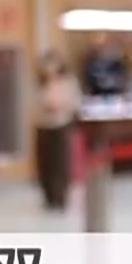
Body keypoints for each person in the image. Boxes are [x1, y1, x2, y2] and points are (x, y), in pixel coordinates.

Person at [34, 50, 81, 211]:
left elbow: (74, 101)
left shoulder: (68, 81)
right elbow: (32, 102)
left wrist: (61, 107)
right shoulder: (39, 84)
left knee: (61, 163)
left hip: (61, 123)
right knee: (45, 163)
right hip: (43, 124)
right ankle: (48, 197)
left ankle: (60, 197)